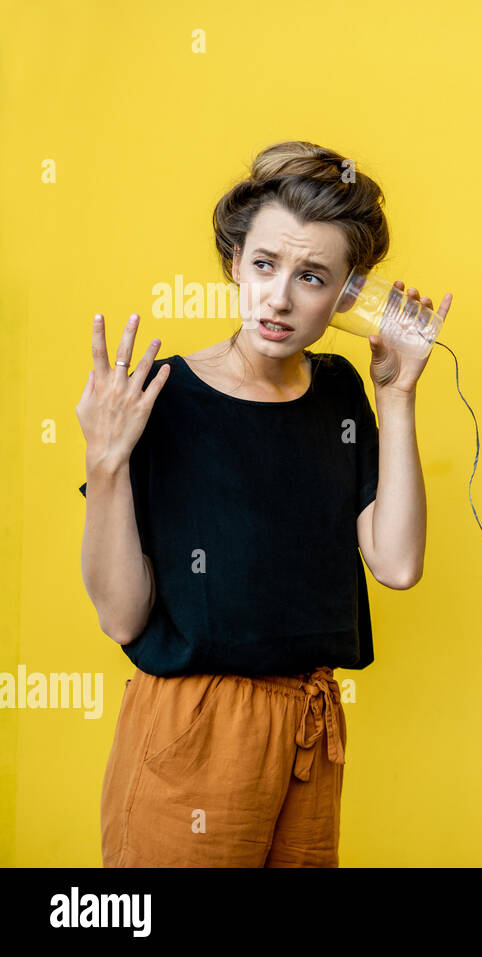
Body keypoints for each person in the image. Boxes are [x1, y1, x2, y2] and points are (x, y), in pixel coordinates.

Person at [76, 141, 451, 866]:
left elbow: (398, 563)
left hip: (309, 735)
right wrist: (106, 460)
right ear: (235, 261)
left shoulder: (343, 391)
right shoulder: (161, 396)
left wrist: (396, 394)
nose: (278, 297)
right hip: (192, 732)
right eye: (263, 265)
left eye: (312, 277)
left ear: (348, 294)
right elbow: (121, 614)